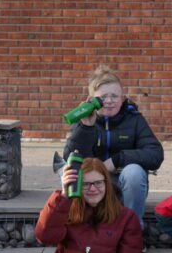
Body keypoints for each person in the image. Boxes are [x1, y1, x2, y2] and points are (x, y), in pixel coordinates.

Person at [62, 65, 163, 229]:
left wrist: (117, 160)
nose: (109, 101)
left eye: (114, 96)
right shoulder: (84, 120)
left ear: (123, 98)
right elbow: (70, 156)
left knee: (135, 172)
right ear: (91, 99)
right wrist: (86, 127)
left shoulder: (134, 119)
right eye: (103, 97)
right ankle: (84, 229)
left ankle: (132, 230)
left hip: (123, 183)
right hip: (93, 183)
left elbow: (155, 154)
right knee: (68, 171)